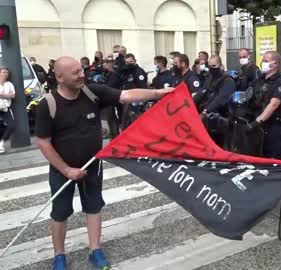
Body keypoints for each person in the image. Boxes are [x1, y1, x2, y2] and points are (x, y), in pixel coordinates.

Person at [34, 56, 174, 270]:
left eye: (81, 70)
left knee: (94, 208)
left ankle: (95, 250)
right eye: (75, 73)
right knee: (60, 212)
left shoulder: (93, 92)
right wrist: (66, 170)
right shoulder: (48, 105)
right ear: (59, 77)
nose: (82, 75)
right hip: (62, 170)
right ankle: (59, 256)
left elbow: (127, 95)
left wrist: (156, 94)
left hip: (92, 166)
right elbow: (43, 142)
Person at [250, 51, 281, 159]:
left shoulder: (280, 82)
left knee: (273, 159)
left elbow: (274, 104)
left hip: (273, 126)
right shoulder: (260, 80)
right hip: (259, 126)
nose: (263, 63)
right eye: (263, 60)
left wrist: (259, 120)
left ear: (275, 64)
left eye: (266, 61)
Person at [0, 67, 16, 154]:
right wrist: (7, 95)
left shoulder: (9, 84)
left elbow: (13, 95)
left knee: (11, 125)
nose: (5, 74)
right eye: (3, 72)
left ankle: (1, 142)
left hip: (6, 108)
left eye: (7, 73)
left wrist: (3, 95)